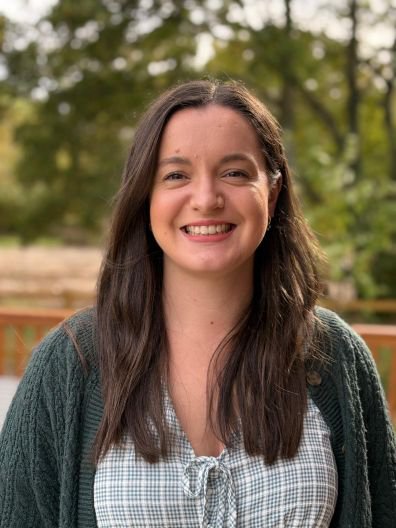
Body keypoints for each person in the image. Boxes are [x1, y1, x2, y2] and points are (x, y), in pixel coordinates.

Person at [0, 79, 395, 528]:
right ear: (145, 195)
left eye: (235, 172)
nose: (206, 199)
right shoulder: (69, 364)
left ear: (273, 190)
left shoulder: (335, 357)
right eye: (176, 175)